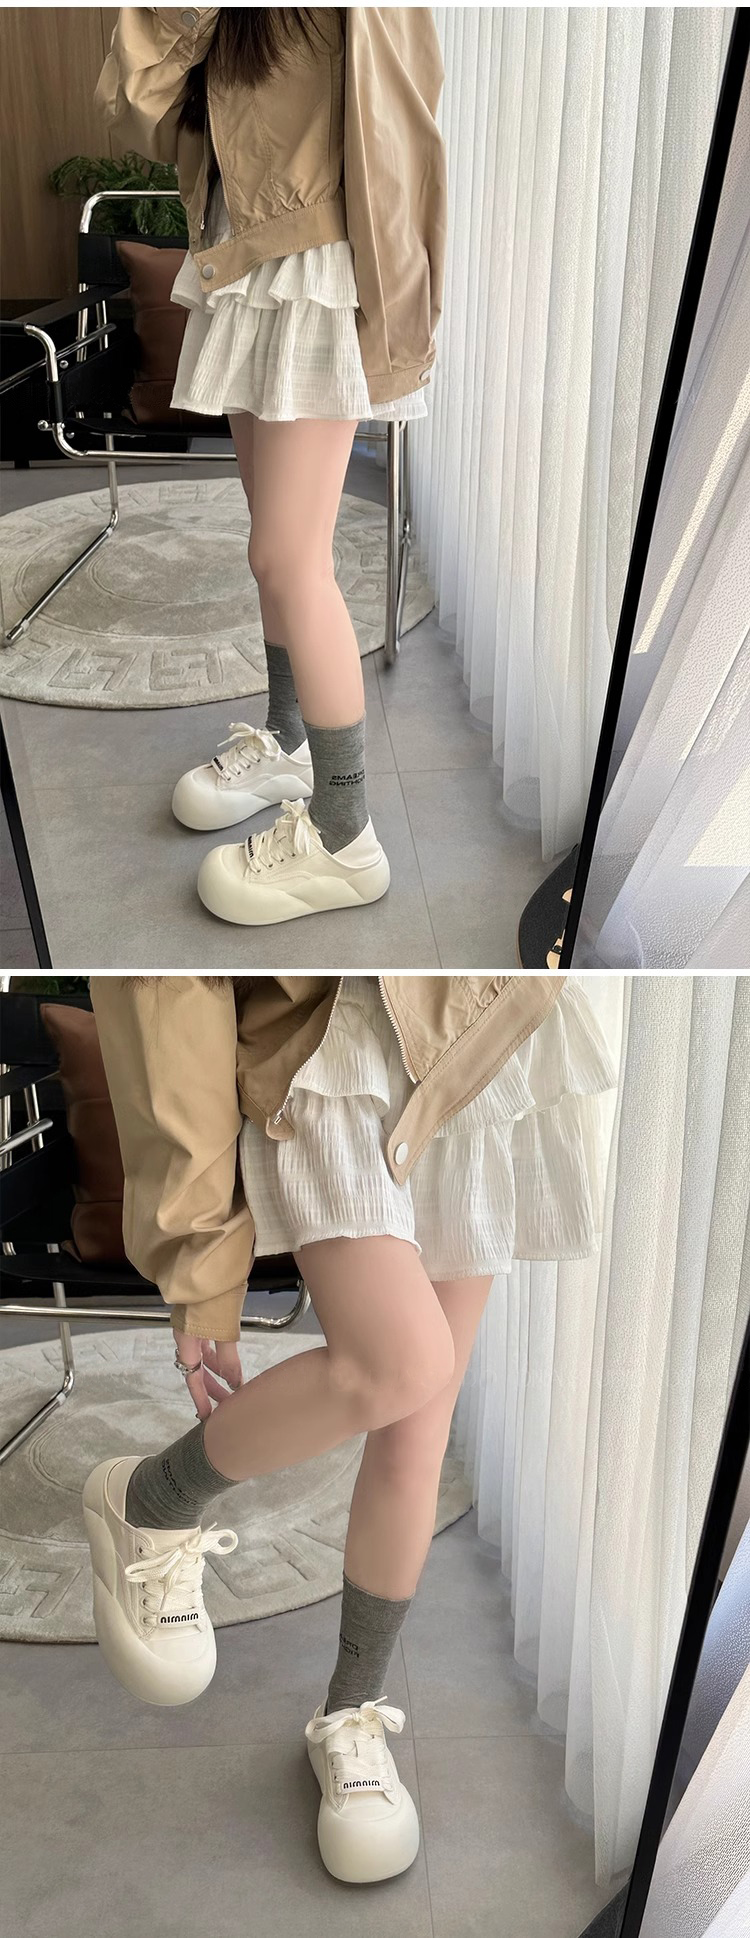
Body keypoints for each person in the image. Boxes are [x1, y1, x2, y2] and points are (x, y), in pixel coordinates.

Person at [84, 973, 616, 1885]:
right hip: (331, 1044)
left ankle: (349, 1713)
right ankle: (153, 1499)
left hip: (482, 1039)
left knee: (417, 1430)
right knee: (400, 1362)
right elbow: (165, 1000)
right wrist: (202, 1262)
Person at [94, 10, 446, 927]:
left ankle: (346, 834)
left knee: (292, 560)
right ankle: (290, 740)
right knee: (271, 552)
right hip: (240, 257)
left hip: (316, 272)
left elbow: (404, 133)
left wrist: (402, 317)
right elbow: (135, 98)